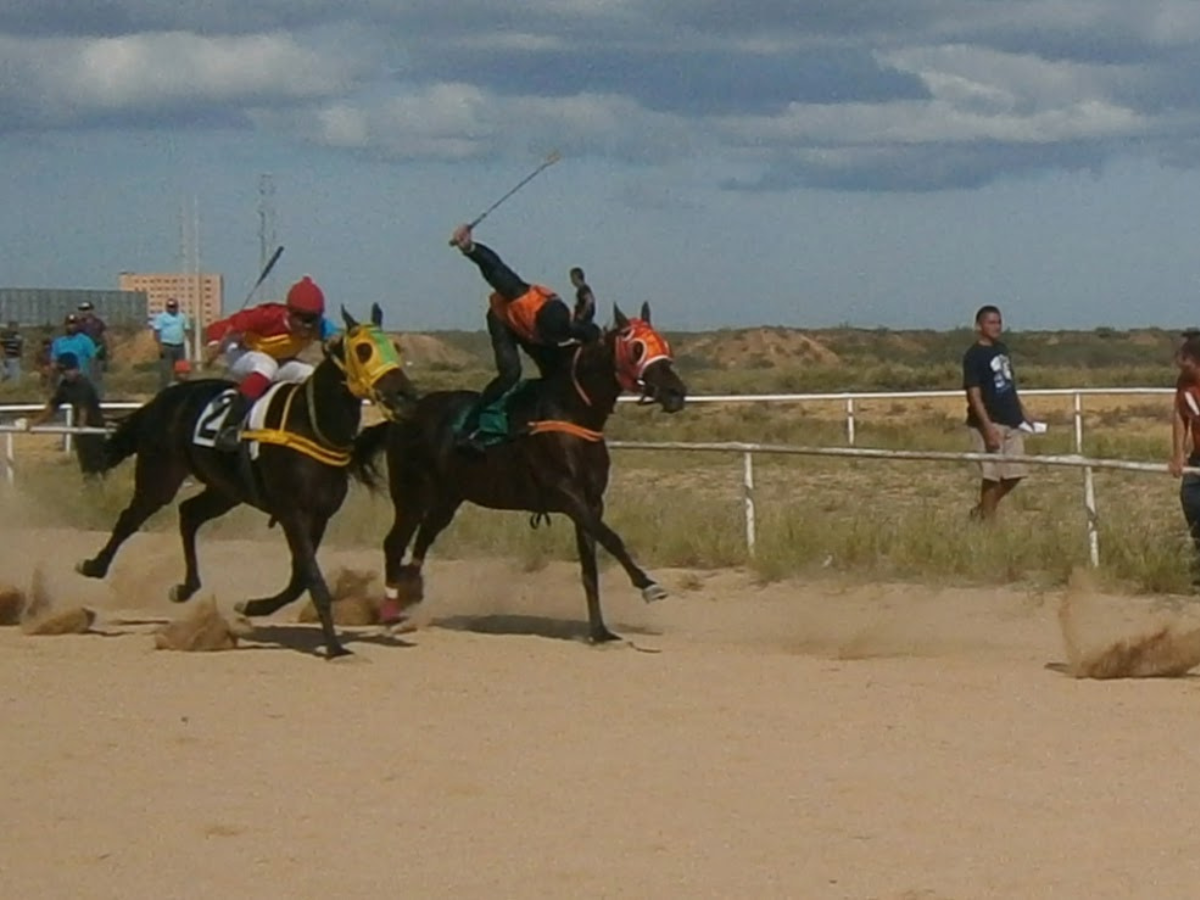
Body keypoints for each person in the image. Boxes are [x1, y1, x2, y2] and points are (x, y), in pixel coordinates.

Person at [448, 223, 600, 451]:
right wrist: (470, 247)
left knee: (556, 370)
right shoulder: (517, 292)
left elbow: (593, 332)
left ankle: (533, 414)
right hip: (503, 319)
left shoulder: (569, 324)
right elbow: (494, 268)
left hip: (534, 329)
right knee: (510, 373)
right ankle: (471, 425)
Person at [204, 275, 339, 451]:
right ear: (289, 313)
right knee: (266, 365)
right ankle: (228, 427)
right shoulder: (266, 316)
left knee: (310, 374)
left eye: (313, 319)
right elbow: (219, 327)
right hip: (242, 352)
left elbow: (337, 340)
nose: (308, 326)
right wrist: (214, 344)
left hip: (278, 360)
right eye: (303, 319)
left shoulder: (321, 327)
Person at [962, 304, 1034, 520]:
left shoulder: (1002, 349)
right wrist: (987, 428)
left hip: (1011, 420)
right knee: (991, 476)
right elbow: (973, 394)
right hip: (989, 422)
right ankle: (987, 521)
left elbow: (1009, 385)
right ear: (979, 326)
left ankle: (981, 511)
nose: (996, 326)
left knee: (1015, 473)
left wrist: (1024, 411)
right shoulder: (973, 356)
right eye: (991, 322)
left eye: (999, 322)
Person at [26, 352, 106, 477]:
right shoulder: (65, 386)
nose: (66, 373)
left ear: (76, 368)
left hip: (94, 429)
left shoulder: (83, 384)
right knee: (86, 469)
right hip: (81, 433)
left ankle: (103, 490)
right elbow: (53, 406)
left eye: (68, 370)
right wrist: (35, 421)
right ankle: (91, 490)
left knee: (97, 467)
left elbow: (83, 407)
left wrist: (81, 425)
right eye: (63, 371)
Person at [1169, 331, 1200, 583]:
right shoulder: (1184, 383)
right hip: (1198, 458)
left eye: (1183, 357)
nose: (1178, 360)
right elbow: (1180, 415)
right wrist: (1178, 454)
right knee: (1190, 498)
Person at [151, 298, 192, 390]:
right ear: (166, 307)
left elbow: (187, 329)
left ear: (177, 307)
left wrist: (190, 343)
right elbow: (156, 332)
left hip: (179, 346)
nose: (172, 309)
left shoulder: (182, 317)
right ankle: (164, 390)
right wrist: (160, 346)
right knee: (165, 370)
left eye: (174, 306)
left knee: (181, 369)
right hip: (166, 346)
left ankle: (180, 388)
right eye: (170, 307)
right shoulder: (161, 317)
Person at [51, 314, 98, 382]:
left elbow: (93, 359)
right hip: (63, 378)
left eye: (74, 324)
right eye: (69, 324)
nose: (71, 326)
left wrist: (93, 377)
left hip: (81, 377)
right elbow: (54, 361)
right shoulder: (58, 342)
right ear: (65, 325)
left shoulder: (85, 340)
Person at [76, 301, 109, 396]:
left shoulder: (98, 323)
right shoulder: (79, 324)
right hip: (83, 354)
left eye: (87, 309)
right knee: (83, 375)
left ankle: (99, 396)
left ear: (91, 310)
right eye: (82, 310)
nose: (85, 312)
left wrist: (108, 350)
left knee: (97, 375)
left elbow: (105, 336)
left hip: (98, 352)